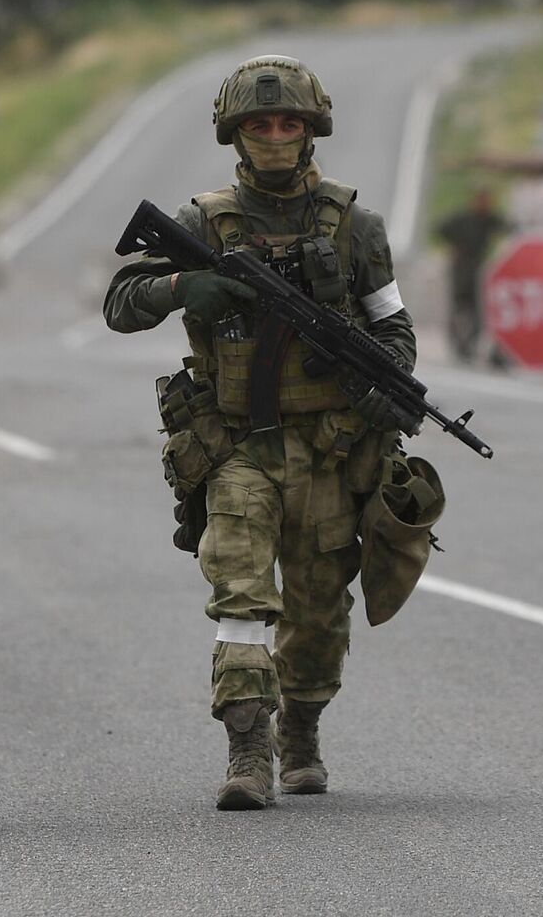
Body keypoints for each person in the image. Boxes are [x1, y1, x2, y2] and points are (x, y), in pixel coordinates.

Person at [103, 55, 418, 810]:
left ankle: (300, 730)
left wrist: (389, 390)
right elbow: (120, 301)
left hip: (332, 449)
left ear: (312, 131)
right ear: (234, 134)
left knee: (316, 611)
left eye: (288, 124)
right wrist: (187, 287)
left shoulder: (357, 226)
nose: (275, 136)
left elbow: (395, 329)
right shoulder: (202, 222)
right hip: (239, 443)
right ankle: (248, 748)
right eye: (259, 125)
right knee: (241, 593)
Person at [435, 189, 509, 361]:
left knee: (477, 309)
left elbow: (505, 226)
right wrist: (454, 246)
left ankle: (470, 343)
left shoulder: (489, 219)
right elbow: (441, 228)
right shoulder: (462, 219)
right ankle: (457, 343)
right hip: (461, 267)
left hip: (478, 268)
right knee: (459, 306)